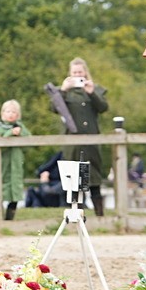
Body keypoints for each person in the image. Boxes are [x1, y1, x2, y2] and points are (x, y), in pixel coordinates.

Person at [60, 57, 109, 216]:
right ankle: (77, 216)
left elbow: (103, 108)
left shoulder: (95, 89)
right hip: (73, 142)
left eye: (80, 72)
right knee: (74, 181)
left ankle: (100, 216)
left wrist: (92, 93)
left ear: (85, 72)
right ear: (70, 74)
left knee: (94, 179)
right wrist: (63, 90)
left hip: (91, 141)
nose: (77, 75)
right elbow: (54, 107)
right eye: (74, 72)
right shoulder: (65, 93)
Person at [0, 99, 26, 221]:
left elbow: (29, 138)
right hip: (2, 165)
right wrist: (10, 133)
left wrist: (20, 132)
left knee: (15, 191)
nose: (11, 114)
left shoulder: (20, 127)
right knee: (0, 190)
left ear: (18, 114)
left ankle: (9, 219)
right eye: (8, 111)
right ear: (2, 113)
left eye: (14, 112)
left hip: (16, 166)